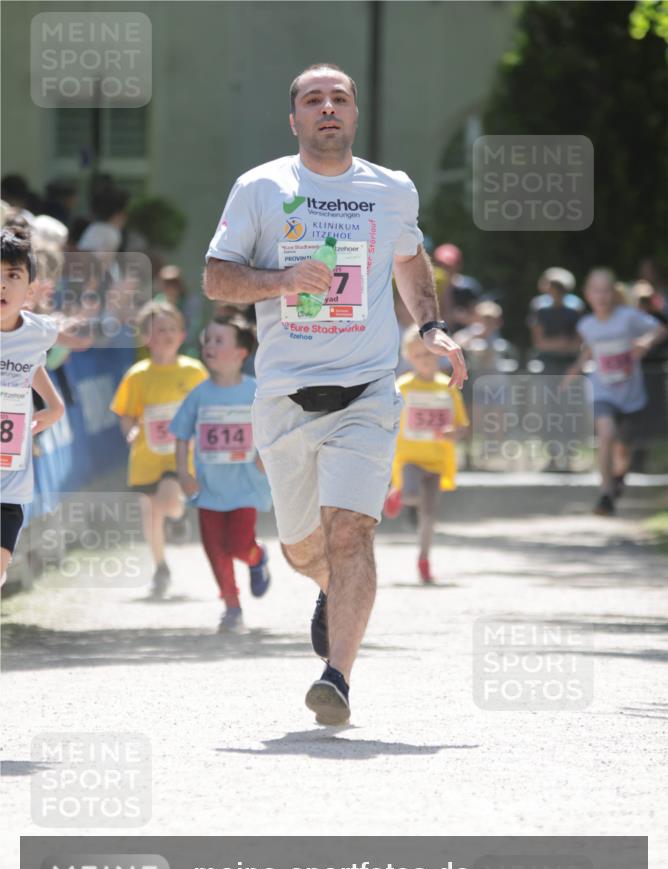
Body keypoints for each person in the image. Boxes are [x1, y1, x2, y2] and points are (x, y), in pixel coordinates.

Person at [203, 62, 467, 725]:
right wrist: (283, 280)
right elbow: (215, 278)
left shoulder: (392, 190)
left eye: (339, 99)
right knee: (302, 548)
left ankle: (337, 677)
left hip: (368, 392)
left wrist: (431, 324)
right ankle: (325, 586)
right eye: (314, 100)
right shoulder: (260, 187)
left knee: (351, 531)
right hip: (286, 397)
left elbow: (408, 257)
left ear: (354, 114)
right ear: (295, 120)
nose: (328, 108)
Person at [170, 312, 272, 631]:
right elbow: (181, 434)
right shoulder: (200, 394)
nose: (209, 346)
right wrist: (183, 474)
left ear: (241, 353)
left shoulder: (257, 392)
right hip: (209, 489)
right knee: (215, 550)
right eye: (207, 341)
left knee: (239, 545)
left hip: (245, 487)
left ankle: (257, 558)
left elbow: (274, 429)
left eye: (219, 340)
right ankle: (231, 606)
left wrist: (265, 456)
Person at [110, 301, 207, 596]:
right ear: (145, 336)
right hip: (146, 456)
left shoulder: (194, 372)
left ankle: (177, 516)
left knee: (168, 499)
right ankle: (161, 566)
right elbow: (126, 413)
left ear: (181, 335)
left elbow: (207, 408)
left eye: (171, 329)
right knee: (150, 515)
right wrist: (131, 431)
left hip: (181, 457)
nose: (165, 335)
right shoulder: (138, 375)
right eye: (158, 329)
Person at [562, 268, 666, 515]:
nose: (602, 296)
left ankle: (619, 477)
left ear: (614, 292)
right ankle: (606, 494)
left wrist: (646, 342)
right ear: (588, 294)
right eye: (596, 291)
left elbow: (661, 328)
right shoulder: (586, 324)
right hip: (602, 390)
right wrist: (573, 371)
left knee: (623, 448)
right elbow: (590, 351)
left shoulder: (629, 317)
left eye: (606, 291)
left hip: (630, 394)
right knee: (606, 433)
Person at [1, 226, 65, 585]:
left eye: (13, 276)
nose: (3, 285)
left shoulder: (37, 333)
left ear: (30, 290)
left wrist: (52, 409)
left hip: (9, 487)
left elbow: (33, 363)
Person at [383, 326, 469, 583]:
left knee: (430, 515)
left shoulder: (448, 386)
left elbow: (462, 426)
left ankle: (424, 558)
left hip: (437, 460)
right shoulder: (403, 386)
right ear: (409, 357)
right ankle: (398, 494)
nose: (425, 360)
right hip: (410, 456)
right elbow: (388, 417)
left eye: (429, 354)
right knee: (411, 495)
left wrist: (453, 433)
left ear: (439, 356)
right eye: (419, 355)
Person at [433, 243, 482, 331]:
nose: (445, 269)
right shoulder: (429, 288)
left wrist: (463, 318)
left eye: (449, 266)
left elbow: (479, 319)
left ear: (459, 265)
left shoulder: (468, 288)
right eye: (441, 265)